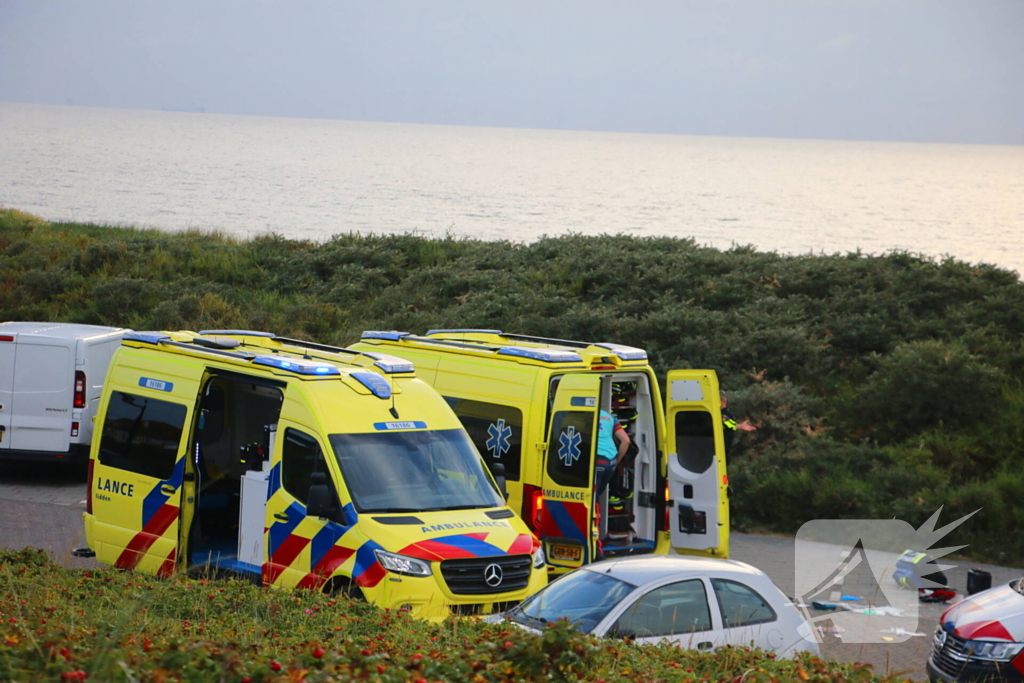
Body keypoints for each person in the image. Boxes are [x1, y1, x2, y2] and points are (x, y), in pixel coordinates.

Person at [594, 409, 631, 503]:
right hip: (610, 461)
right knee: (596, 496)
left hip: (596, 459)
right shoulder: (609, 417)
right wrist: (616, 461)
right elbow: (626, 441)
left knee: (591, 499)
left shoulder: (584, 414)